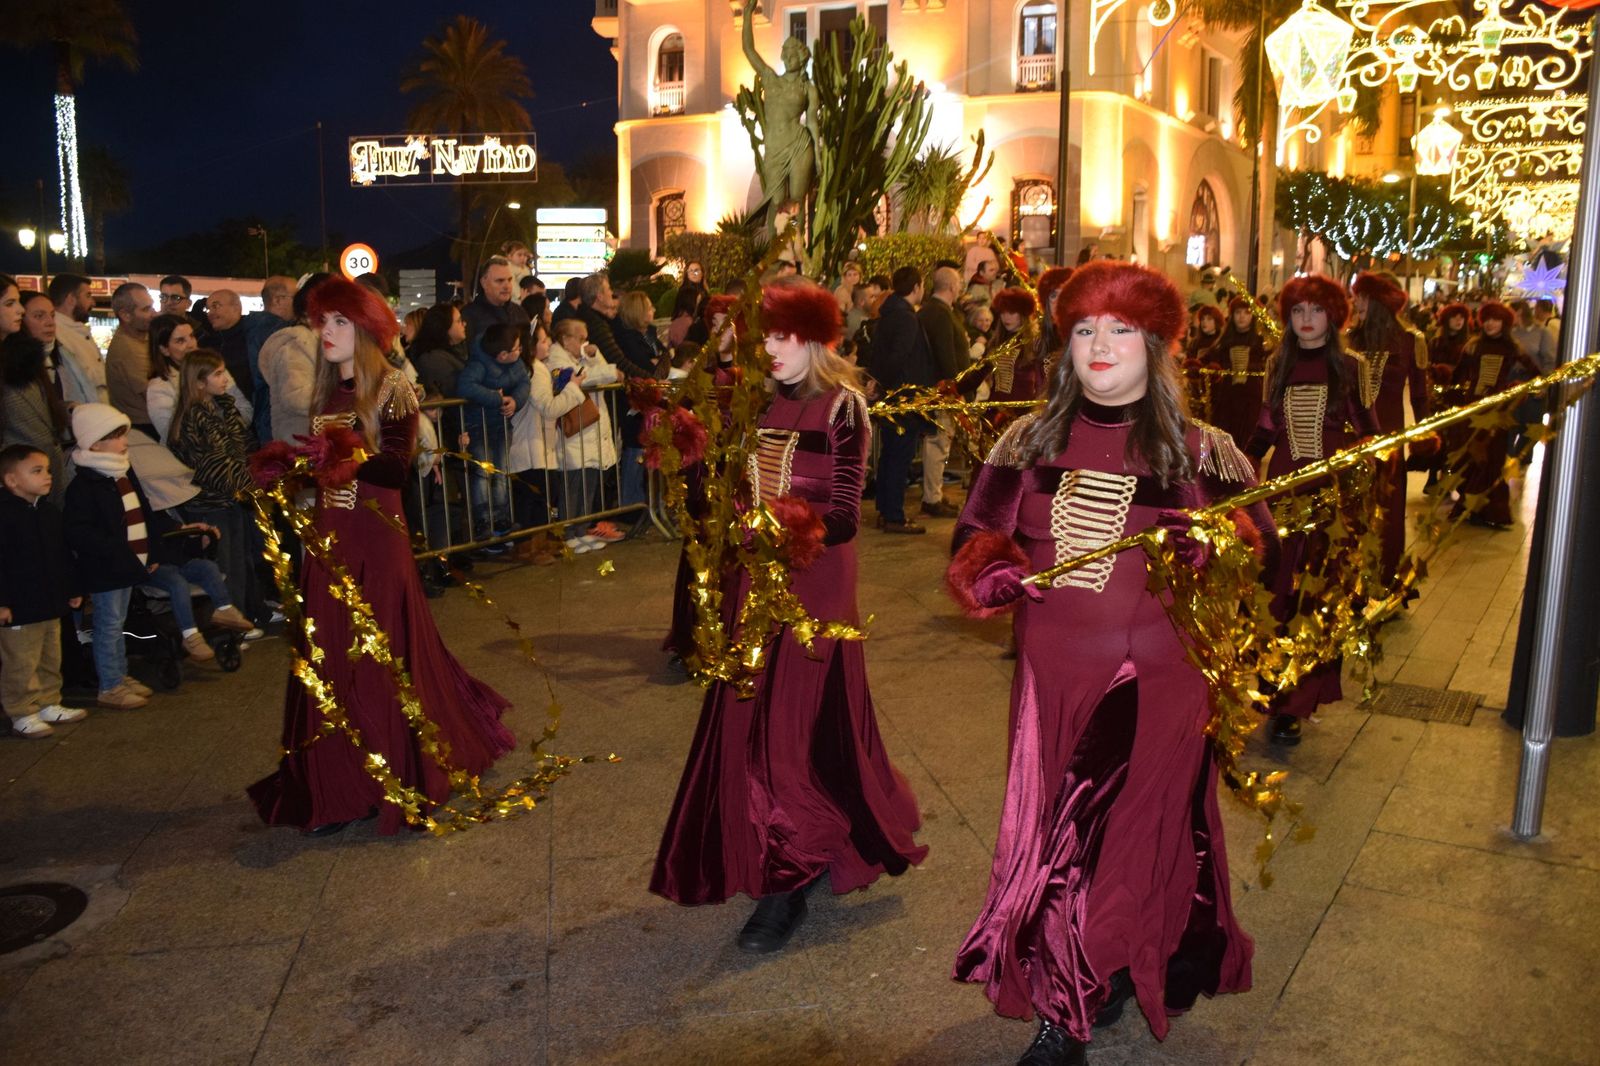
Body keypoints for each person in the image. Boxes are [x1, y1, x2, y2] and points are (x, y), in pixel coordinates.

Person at [945, 260, 1269, 1066]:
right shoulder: (1025, 441)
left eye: (1121, 329)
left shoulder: (1204, 451)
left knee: (1102, 839)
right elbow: (974, 540)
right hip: (1054, 678)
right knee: (1072, 836)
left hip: (1158, 682)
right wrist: (990, 570)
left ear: (1154, 345)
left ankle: (1066, 1007)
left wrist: (1214, 549)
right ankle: (1107, 959)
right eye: (1085, 327)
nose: (1100, 343)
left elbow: (1254, 547)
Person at [651, 277, 927, 951]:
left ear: (814, 339)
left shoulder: (845, 407)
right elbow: (728, 488)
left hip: (818, 583)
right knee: (753, 716)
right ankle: (777, 841)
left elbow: (842, 512)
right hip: (759, 576)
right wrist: (691, 459)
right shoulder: (755, 403)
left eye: (782, 338)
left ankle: (789, 876)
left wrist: (777, 528)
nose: (769, 350)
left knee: (790, 722)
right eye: (763, 338)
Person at [248, 278, 515, 836]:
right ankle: (333, 782)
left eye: (340, 322)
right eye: (322, 321)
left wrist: (345, 453)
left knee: (380, 658)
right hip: (328, 535)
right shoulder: (326, 392)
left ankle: (391, 774)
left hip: (376, 536)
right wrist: (287, 466)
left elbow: (396, 470)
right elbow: (326, 470)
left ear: (366, 330)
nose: (327, 332)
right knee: (328, 657)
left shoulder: (393, 388)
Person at [1246, 275, 1378, 745]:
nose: (1306, 320)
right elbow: (1263, 431)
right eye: (1298, 311)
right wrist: (1233, 478)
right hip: (1282, 488)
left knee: (1316, 592)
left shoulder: (1351, 366)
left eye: (1315, 311)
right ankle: (1273, 690)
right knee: (1277, 588)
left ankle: (1297, 703)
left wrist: (1360, 485)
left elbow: (1369, 432)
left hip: (1331, 493)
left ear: (1333, 316)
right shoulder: (1275, 364)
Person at [64, 403, 252, 694]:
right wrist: (121, 552)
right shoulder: (84, 486)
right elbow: (81, 533)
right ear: (96, 443)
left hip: (133, 564)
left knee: (119, 621)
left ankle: (119, 675)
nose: (125, 442)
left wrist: (152, 554)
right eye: (117, 436)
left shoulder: (124, 474)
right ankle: (111, 685)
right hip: (108, 568)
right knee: (110, 626)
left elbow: (145, 516)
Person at [166, 349, 264, 626]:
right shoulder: (193, 419)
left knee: (241, 559)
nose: (225, 379)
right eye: (218, 374)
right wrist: (250, 485)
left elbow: (242, 447)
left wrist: (256, 473)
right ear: (199, 382)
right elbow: (213, 465)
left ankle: (245, 615)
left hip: (234, 498)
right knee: (224, 565)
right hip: (210, 503)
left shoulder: (224, 407)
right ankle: (229, 623)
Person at [1348, 272, 1431, 586]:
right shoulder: (1350, 339)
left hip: (1390, 440)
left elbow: (1421, 396)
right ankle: (1350, 581)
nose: (1356, 302)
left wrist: (1425, 436)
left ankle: (1384, 580)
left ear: (1379, 301)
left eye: (1362, 297)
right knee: (1353, 512)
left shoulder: (1411, 340)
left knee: (1389, 512)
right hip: (1352, 439)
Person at [0, 445, 86, 738]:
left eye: (48, 470)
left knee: (51, 656)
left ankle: (49, 701)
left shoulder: (48, 512)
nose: (47, 476)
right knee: (21, 662)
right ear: (11, 480)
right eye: (37, 471)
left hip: (50, 602)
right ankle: (21, 710)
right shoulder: (5, 515)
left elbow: (62, 554)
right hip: (20, 606)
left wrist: (72, 587)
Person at [1450, 302, 1541, 529]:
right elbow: (1457, 375)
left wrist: (1519, 389)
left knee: (1493, 458)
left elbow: (1535, 373)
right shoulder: (1472, 346)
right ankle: (1467, 505)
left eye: (1496, 319)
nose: (1490, 324)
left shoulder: (1513, 348)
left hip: (1498, 413)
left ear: (1505, 323)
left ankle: (1489, 510)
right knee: (1472, 457)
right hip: (1473, 409)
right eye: (1487, 319)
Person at [507, 320, 585, 565]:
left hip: (533, 444)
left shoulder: (531, 368)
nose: (549, 343)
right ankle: (533, 549)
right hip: (533, 445)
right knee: (535, 501)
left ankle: (535, 547)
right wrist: (572, 390)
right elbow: (548, 407)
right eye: (543, 340)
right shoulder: (536, 369)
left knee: (534, 500)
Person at [546, 317, 625, 553]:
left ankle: (582, 529)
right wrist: (610, 371)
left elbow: (593, 369)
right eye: (580, 338)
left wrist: (593, 355)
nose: (584, 342)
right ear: (566, 339)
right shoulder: (557, 358)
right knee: (573, 485)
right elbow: (582, 377)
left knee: (588, 483)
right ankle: (568, 532)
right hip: (575, 434)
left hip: (590, 432)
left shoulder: (580, 355)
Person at [867, 266, 936, 534]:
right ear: (917, 286)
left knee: (890, 455)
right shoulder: (906, 318)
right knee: (899, 457)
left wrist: (877, 382)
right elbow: (898, 356)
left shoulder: (889, 314)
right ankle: (894, 514)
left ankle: (886, 510)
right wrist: (882, 382)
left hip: (892, 395)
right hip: (904, 397)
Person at [456, 322, 531, 545]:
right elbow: (465, 387)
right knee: (482, 474)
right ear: (502, 355)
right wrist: (496, 398)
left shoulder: (516, 364)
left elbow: (524, 383)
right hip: (478, 426)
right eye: (516, 348)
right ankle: (483, 520)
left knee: (501, 472)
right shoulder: (478, 364)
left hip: (500, 424)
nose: (520, 351)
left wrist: (515, 400)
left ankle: (501, 518)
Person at [1, 323, 72, 507]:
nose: (19, 310)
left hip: (44, 466)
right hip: (19, 472)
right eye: (10, 303)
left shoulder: (25, 362)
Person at [916, 265, 966, 518]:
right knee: (938, 443)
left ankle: (933, 493)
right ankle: (932, 497)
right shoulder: (941, 314)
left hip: (934, 387)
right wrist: (956, 387)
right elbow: (946, 355)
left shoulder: (929, 311)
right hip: (943, 389)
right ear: (952, 287)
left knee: (937, 444)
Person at [258, 274, 332, 443]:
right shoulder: (296, 344)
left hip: (322, 446)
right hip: (301, 451)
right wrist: (346, 395)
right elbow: (297, 398)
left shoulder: (323, 341)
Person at [1193, 296, 1268, 450]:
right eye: (1238, 312)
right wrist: (1199, 368)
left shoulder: (1261, 342)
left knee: (1248, 446)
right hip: (1226, 401)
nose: (1241, 316)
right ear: (1232, 315)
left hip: (1251, 401)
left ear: (1253, 316)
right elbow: (1204, 361)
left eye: (1246, 312)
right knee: (1223, 447)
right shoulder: (1223, 341)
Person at [47, 273, 108, 405]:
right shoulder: (56, 335)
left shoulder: (76, 330)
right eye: (88, 296)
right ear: (71, 299)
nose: (92, 302)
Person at [106, 281, 157, 435]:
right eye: (146, 309)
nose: (154, 313)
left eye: (152, 306)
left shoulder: (141, 337)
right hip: (144, 428)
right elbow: (153, 396)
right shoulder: (128, 350)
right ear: (125, 315)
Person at [462, 256, 531, 361]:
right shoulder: (469, 316)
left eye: (509, 280)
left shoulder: (519, 312)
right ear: (484, 283)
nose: (507, 286)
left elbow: (528, 349)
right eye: (500, 281)